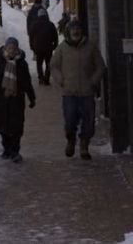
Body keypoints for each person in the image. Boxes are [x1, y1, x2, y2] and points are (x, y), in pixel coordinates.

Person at [51, 20, 106, 159]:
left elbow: (100, 66)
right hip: (69, 93)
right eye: (73, 29)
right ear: (68, 32)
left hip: (87, 92)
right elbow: (54, 66)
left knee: (88, 122)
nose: (76, 32)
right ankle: (71, 140)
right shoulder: (62, 48)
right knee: (70, 121)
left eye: (78, 29)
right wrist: (61, 80)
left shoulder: (91, 47)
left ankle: (84, 146)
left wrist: (93, 81)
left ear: (82, 31)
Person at [0, 37, 36, 162]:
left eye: (14, 48)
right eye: (9, 48)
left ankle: (15, 151)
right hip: (1, 99)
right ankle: (6, 149)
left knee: (17, 126)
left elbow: (27, 82)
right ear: (5, 48)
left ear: (17, 49)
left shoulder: (22, 63)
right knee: (3, 126)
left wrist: (32, 97)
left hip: (17, 99)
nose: (11, 51)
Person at [28, 9, 59, 85]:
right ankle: (47, 78)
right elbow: (55, 36)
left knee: (39, 63)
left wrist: (32, 47)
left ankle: (41, 78)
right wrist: (54, 46)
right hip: (48, 47)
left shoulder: (34, 25)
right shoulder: (50, 24)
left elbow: (31, 37)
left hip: (38, 48)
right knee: (48, 63)